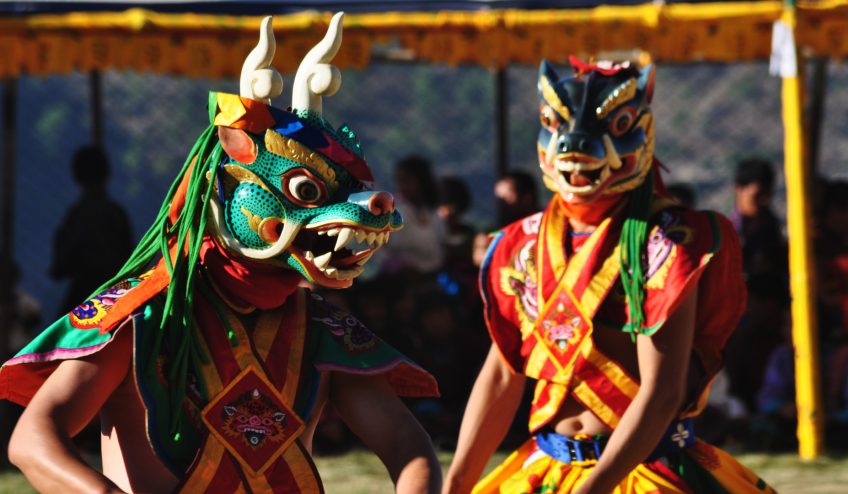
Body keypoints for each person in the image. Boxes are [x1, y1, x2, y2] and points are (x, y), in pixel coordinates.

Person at [1, 15, 441, 493]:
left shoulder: (317, 326)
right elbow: (32, 439)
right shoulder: (145, 316)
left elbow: (406, 443)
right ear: (227, 191)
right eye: (305, 191)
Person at [444, 57, 774, 493]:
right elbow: (503, 374)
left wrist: (592, 491)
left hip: (643, 472)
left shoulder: (667, 242)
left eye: (616, 126)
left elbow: (662, 393)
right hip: (546, 466)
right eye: (553, 122)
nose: (576, 150)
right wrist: (456, 483)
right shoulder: (521, 243)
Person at [50, 145, 134, 316]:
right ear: (108, 173)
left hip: (82, 298)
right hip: (116, 296)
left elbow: (59, 268)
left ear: (76, 177)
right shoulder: (116, 214)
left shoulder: (75, 218)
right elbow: (132, 261)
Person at [730, 157, 787, 279]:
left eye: (768, 194)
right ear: (738, 189)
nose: (764, 201)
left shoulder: (774, 227)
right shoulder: (727, 232)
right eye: (757, 195)